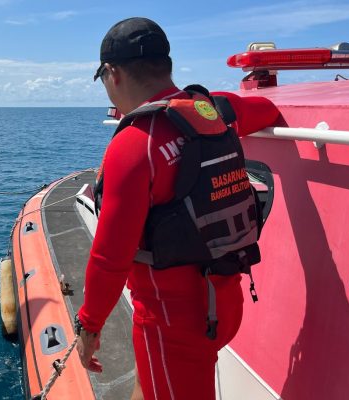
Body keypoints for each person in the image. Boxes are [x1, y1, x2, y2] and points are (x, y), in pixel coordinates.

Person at [75, 17, 280, 400]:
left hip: (171, 325)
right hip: (224, 302)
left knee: (163, 376)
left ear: (113, 74)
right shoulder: (212, 111)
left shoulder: (135, 144)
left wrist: (89, 327)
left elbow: (109, 258)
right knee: (150, 380)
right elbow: (266, 111)